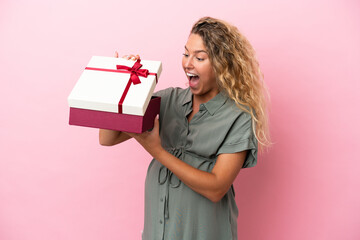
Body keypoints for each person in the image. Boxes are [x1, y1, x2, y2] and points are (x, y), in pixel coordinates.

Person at [99, 16, 270, 240]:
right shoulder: (169, 100)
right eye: (186, 54)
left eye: (199, 57)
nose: (188, 63)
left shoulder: (239, 116)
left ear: (222, 64)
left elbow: (216, 187)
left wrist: (157, 151)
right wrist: (120, 86)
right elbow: (107, 137)